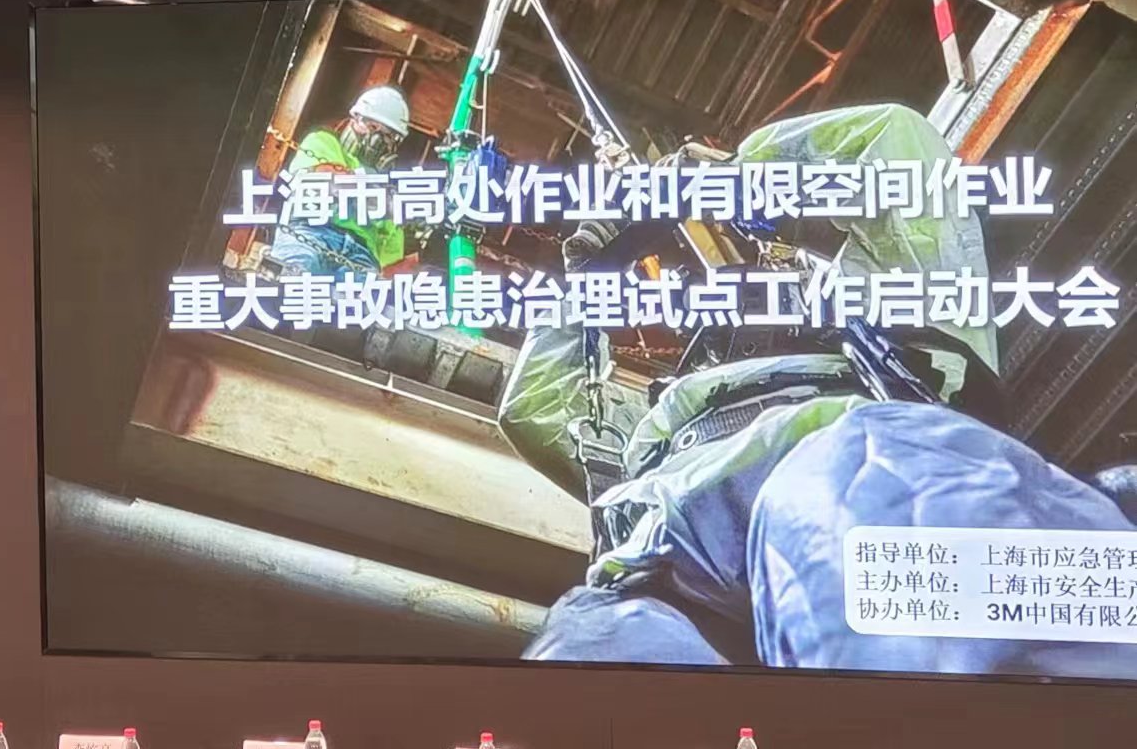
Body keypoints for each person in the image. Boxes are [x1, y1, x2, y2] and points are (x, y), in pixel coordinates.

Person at [499, 101, 1137, 677]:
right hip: (664, 568)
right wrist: (584, 285)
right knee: (589, 672)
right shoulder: (662, 421)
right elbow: (533, 410)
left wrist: (737, 177)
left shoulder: (904, 332)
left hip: (855, 477)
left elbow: (893, 142)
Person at [269, 85, 410, 276]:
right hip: (310, 232)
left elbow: (391, 260)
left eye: (388, 136)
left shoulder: (387, 190)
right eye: (372, 127)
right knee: (292, 279)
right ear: (354, 119)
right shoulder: (324, 142)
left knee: (365, 294)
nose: (376, 139)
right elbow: (330, 182)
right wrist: (386, 201)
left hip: (362, 255)